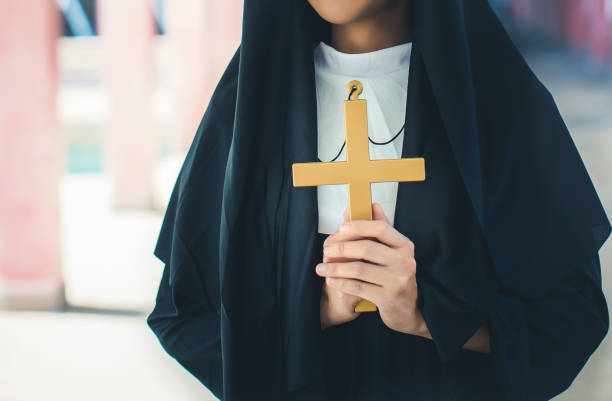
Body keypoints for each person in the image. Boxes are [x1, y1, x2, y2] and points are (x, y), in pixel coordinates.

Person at [147, 1, 611, 400]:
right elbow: (185, 316)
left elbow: (570, 321)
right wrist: (317, 312)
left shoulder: (495, 102)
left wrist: (427, 315)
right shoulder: (250, 110)